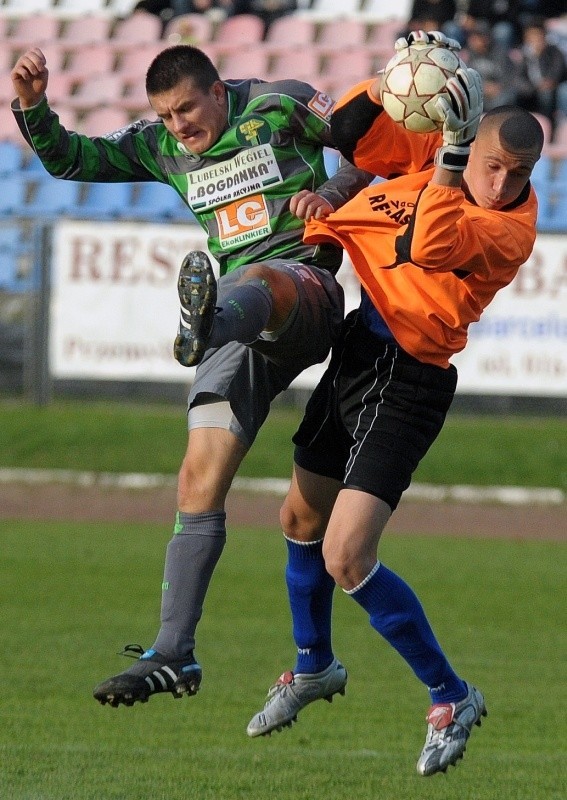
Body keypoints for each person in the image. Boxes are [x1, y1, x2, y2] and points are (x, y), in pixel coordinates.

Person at [11, 45, 370, 707]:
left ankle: (210, 324)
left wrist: (329, 193)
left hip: (306, 285)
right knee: (197, 477)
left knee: (260, 279)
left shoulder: (278, 102)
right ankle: (174, 652)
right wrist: (33, 106)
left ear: (217, 91)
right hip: (232, 310)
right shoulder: (157, 145)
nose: (176, 125)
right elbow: (72, 159)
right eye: (164, 116)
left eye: (185, 109)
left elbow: (367, 147)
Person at [246, 31, 544, 777]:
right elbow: (344, 133)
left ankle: (450, 695)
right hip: (357, 349)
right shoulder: (428, 161)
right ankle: (312, 665)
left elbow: (436, 242)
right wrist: (391, 80)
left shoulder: (506, 229)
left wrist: (449, 153)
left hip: (407, 378)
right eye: (491, 165)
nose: (502, 182)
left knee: (347, 554)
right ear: (473, 146)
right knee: (298, 520)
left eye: (518, 172)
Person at [516, 17, 567, 134]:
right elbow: (518, 78)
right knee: (515, 94)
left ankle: (551, 128)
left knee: (548, 94)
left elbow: (556, 74)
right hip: (531, 90)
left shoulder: (553, 52)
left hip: (551, 91)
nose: (535, 39)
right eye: (531, 36)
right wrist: (532, 88)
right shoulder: (523, 55)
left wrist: (540, 56)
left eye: (537, 35)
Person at [463, 19, 521, 110]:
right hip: (479, 93)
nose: (473, 41)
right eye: (472, 37)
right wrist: (483, 87)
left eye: (477, 37)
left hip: (499, 92)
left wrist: (498, 87)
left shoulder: (500, 53)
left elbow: (511, 78)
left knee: (507, 97)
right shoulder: (469, 55)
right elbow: (466, 80)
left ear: (486, 38)